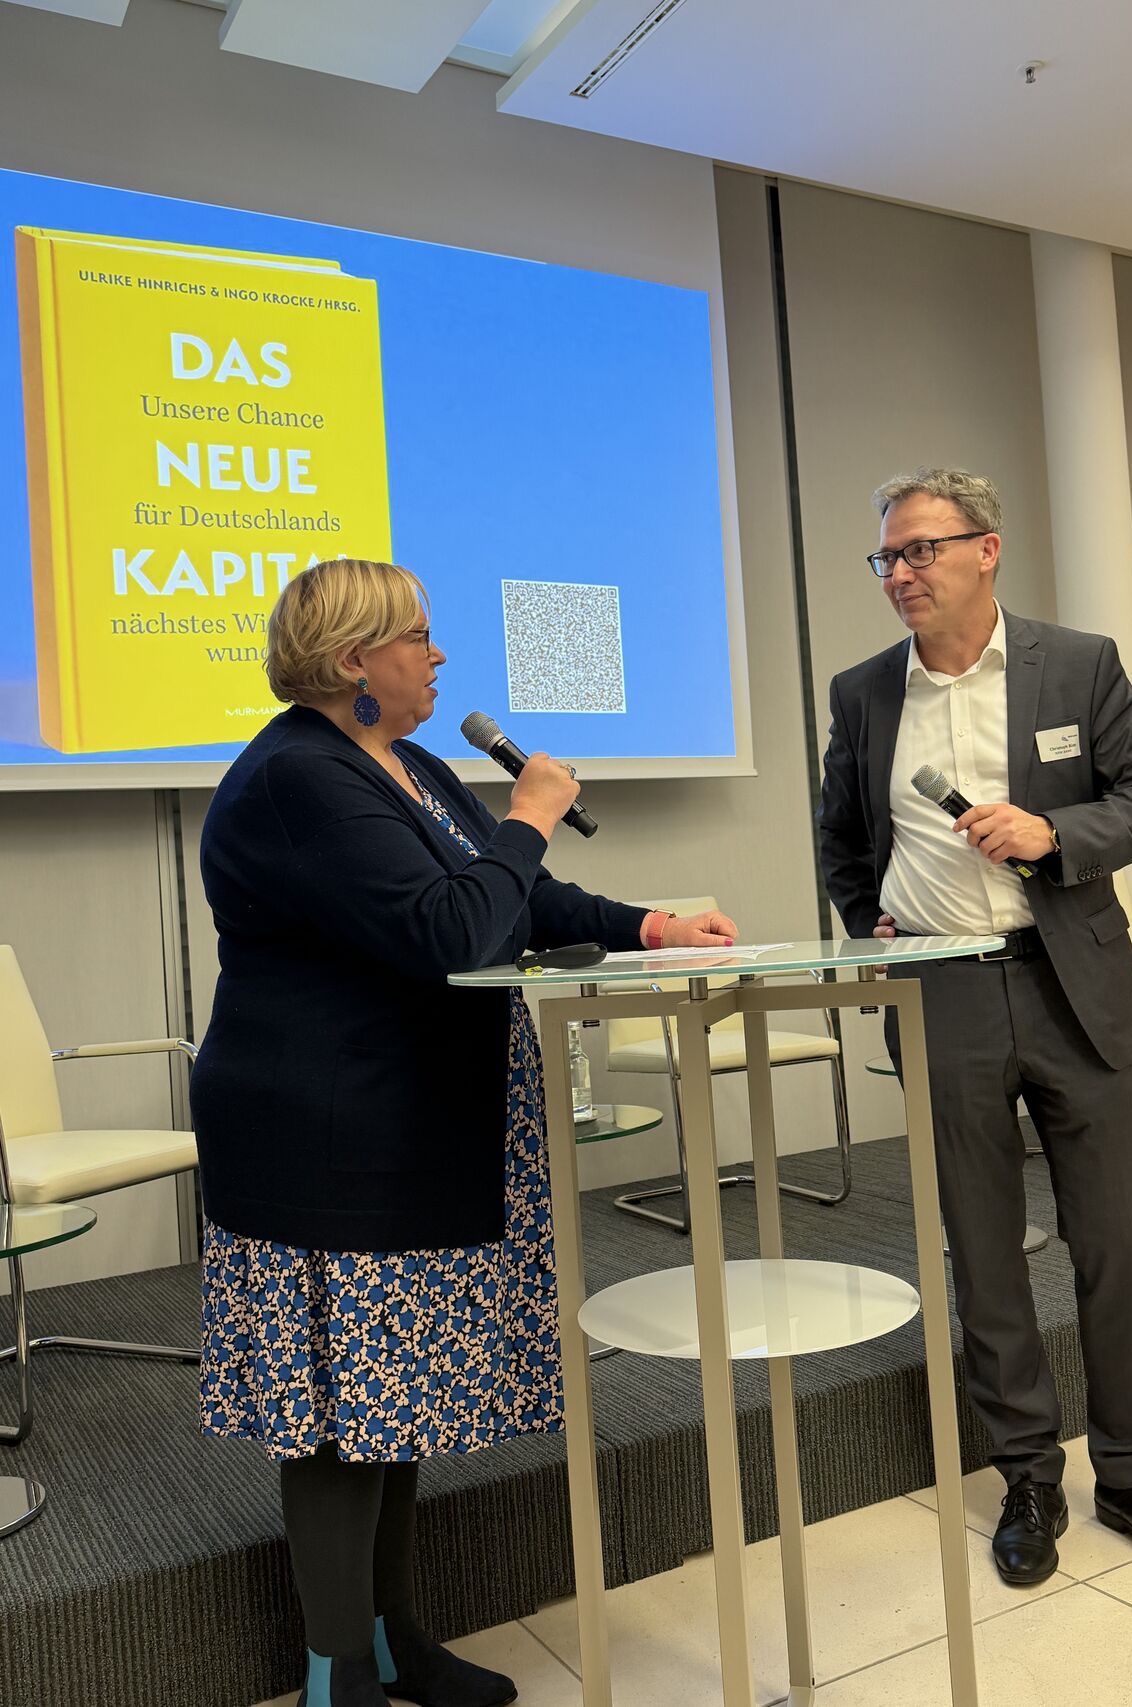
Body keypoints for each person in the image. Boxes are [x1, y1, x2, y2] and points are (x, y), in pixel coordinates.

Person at [190, 557, 737, 1707]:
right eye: (417, 637)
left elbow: (515, 898)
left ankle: (394, 1642)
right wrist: (529, 813)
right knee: (340, 1424)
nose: (438, 655)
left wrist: (646, 923)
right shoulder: (298, 778)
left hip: (410, 1126)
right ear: (354, 660)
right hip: (327, 1146)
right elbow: (455, 928)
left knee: (388, 1402)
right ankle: (338, 1677)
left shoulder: (410, 765)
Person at [818, 468, 1132, 1587]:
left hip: (1066, 983)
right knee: (983, 1244)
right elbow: (840, 834)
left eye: (920, 550)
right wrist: (869, 918)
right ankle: (1028, 1476)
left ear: (984, 549)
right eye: (886, 557)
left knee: (1114, 1240)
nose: (900, 573)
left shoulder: (1075, 664)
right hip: (939, 986)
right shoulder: (862, 693)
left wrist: (1052, 834)